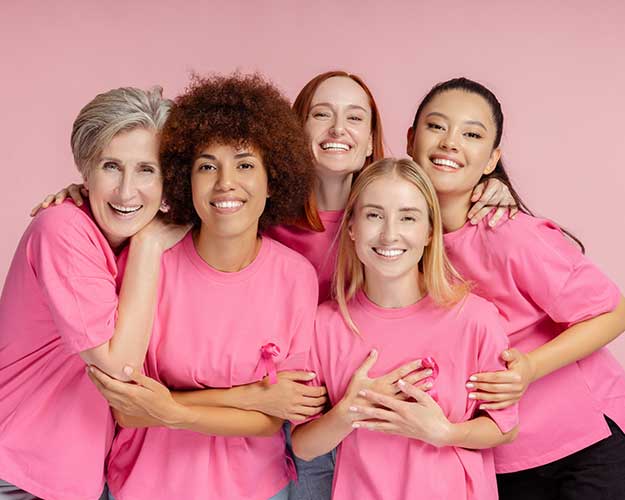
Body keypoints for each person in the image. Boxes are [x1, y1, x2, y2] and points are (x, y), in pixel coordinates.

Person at [86, 73, 320, 500]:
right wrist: (249, 395)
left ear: (273, 182)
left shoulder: (296, 276)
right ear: (183, 180)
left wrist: (171, 410)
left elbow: (274, 416)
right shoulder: (146, 262)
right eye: (207, 166)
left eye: (245, 165)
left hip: (256, 488)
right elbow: (128, 408)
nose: (224, 182)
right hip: (147, 485)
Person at [406, 76, 625, 499]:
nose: (451, 142)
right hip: (497, 452)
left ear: (491, 159)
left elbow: (613, 311)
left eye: (472, 134)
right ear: (412, 139)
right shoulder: (400, 241)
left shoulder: (507, 233)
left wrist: (529, 368)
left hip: (586, 443)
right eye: (437, 126)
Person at [291, 158, 519, 499]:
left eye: (408, 217)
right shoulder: (323, 326)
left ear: (429, 231)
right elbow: (304, 447)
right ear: (351, 227)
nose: (389, 234)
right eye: (373, 215)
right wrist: (351, 411)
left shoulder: (476, 319)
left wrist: (445, 433)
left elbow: (505, 427)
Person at [0, 87, 186, 500]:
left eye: (146, 170)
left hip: (77, 476)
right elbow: (120, 370)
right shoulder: (63, 230)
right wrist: (150, 245)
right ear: (86, 172)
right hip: (18, 472)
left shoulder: (135, 237)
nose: (125, 191)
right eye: (111, 166)